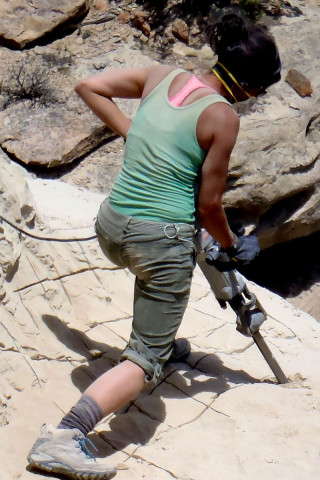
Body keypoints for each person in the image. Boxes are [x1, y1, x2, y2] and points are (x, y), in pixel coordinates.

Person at [27, 13, 281, 480]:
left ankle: (158, 339)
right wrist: (234, 245)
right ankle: (64, 436)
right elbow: (208, 207)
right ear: (245, 85)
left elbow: (89, 86)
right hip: (156, 242)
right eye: (258, 91)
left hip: (111, 226)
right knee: (147, 358)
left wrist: (135, 133)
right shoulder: (221, 116)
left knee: (156, 291)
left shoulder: (161, 75)